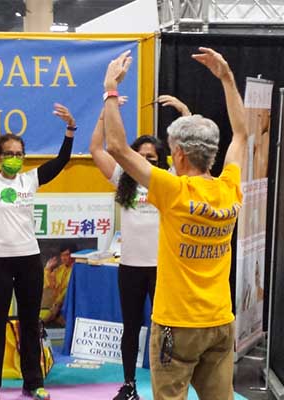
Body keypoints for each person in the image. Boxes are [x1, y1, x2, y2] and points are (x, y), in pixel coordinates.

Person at [101, 47, 246, 399]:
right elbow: (242, 135)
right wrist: (227, 79)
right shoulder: (229, 188)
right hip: (219, 322)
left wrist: (111, 88)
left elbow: (118, 148)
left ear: (178, 154)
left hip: (176, 326)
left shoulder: (173, 190)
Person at [0, 99, 76, 400]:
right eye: (9, 154)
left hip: (27, 261)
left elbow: (61, 161)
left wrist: (70, 129)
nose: (15, 158)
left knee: (30, 323)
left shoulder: (31, 179)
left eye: (19, 154)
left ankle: (33, 382)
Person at [89, 94, 188, 399]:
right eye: (141, 156)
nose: (146, 162)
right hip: (130, 266)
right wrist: (106, 112)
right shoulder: (123, 178)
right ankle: (129, 384)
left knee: (167, 329)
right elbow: (95, 149)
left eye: (152, 157)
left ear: (164, 160)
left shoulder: (171, 179)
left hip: (163, 268)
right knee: (130, 328)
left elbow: (193, 148)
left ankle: (168, 385)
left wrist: (184, 113)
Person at [40, 244, 76, 327]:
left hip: (67, 305)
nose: (63, 258)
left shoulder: (77, 269)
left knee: (66, 292)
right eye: (62, 255)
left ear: (73, 255)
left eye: (66, 255)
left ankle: (44, 319)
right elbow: (48, 286)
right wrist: (48, 269)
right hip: (55, 306)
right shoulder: (60, 269)